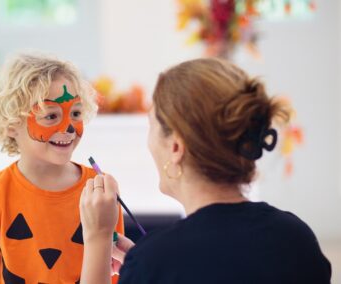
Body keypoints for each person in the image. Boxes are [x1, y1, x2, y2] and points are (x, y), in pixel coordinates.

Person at [79, 58, 332, 283]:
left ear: (176, 146)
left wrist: (98, 241)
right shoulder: (295, 237)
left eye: (151, 124)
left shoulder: (154, 263)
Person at [0, 51, 124, 284]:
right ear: (11, 125)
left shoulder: (99, 193)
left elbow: (114, 275)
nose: (68, 127)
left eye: (76, 113)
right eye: (51, 116)